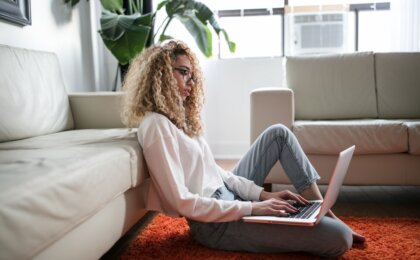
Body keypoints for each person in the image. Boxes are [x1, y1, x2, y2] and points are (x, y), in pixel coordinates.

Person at [121, 40, 365, 258]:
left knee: (278, 133)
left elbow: (217, 173)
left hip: (229, 197)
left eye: (192, 75)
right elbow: (181, 201)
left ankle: (323, 211)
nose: (191, 83)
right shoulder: (155, 125)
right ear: (161, 74)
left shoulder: (179, 119)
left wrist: (262, 195)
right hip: (215, 224)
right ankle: (323, 220)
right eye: (183, 73)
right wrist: (252, 208)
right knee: (339, 238)